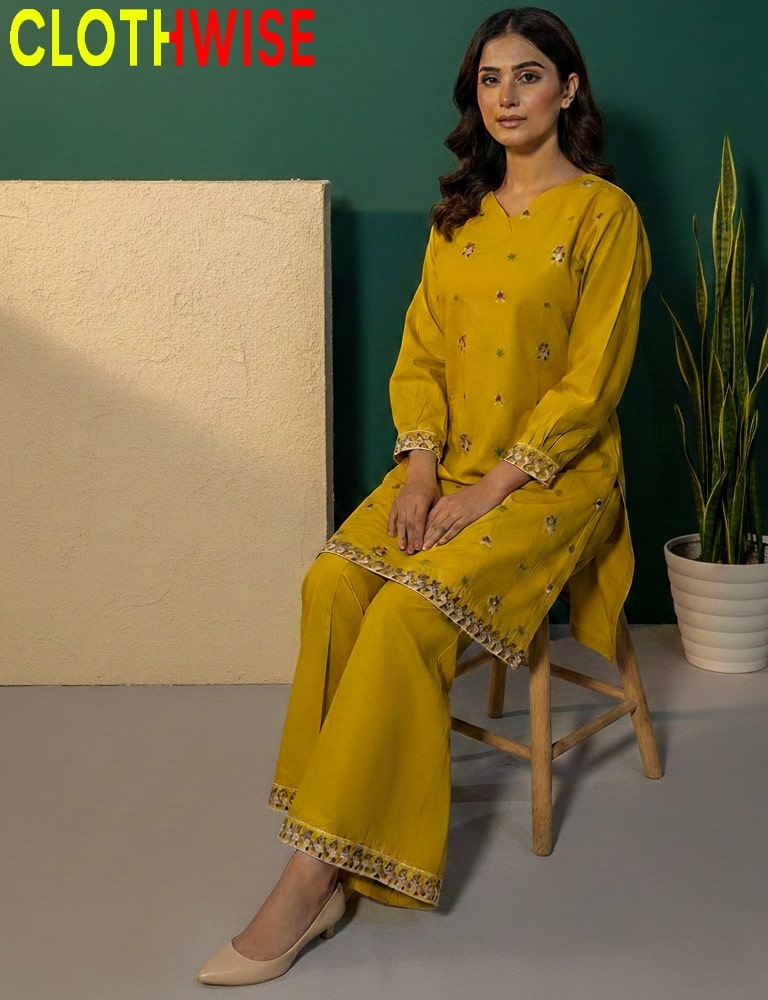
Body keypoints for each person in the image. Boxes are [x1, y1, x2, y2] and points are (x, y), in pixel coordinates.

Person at [197, 5, 650, 986]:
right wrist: (419, 468)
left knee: (405, 615)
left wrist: (488, 493)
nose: (507, 97)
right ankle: (335, 832)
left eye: (528, 75)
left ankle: (312, 880)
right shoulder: (460, 218)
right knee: (332, 584)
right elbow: (423, 356)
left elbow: (590, 385)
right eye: (490, 80)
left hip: (551, 477)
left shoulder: (606, 216)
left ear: (568, 89)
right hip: (445, 463)